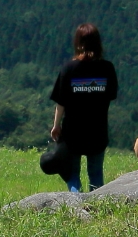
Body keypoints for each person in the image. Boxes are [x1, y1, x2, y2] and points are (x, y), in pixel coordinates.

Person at [49, 22, 118, 193]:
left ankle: (75, 207)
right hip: (98, 130)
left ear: (78, 43)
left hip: (73, 132)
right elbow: (111, 95)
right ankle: (99, 208)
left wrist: (56, 125)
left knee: (73, 174)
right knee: (95, 175)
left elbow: (61, 102)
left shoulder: (69, 68)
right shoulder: (107, 68)